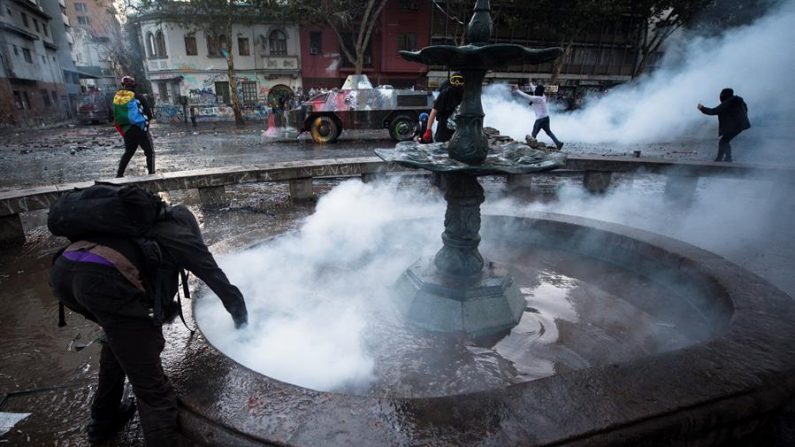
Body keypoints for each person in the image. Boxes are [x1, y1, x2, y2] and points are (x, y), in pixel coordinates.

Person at [49, 204, 248, 446]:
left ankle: (103, 420)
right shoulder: (182, 238)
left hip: (63, 273)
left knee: (118, 342)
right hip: (100, 281)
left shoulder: (140, 227)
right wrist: (244, 331)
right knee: (153, 388)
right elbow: (224, 289)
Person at [114, 76, 155, 177]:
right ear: (134, 85)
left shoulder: (118, 98)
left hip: (127, 130)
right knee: (149, 152)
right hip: (140, 129)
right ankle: (151, 173)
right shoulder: (139, 97)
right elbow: (149, 115)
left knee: (128, 152)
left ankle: (119, 175)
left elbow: (115, 116)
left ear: (122, 85)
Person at [697, 88, 751, 162]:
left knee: (723, 141)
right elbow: (746, 109)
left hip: (735, 126)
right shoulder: (739, 101)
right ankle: (726, 158)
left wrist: (702, 108)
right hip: (740, 125)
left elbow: (713, 111)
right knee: (725, 141)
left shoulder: (729, 102)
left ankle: (721, 159)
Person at [512, 84, 564, 150]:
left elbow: (526, 96)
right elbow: (535, 90)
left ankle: (531, 148)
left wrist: (517, 90)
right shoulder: (543, 96)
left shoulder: (536, 98)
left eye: (536, 89)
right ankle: (558, 143)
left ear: (538, 91)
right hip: (546, 117)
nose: (535, 90)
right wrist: (530, 83)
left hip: (540, 119)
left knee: (534, 134)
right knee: (548, 132)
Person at [422, 72, 464, 144]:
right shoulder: (445, 93)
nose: (457, 83)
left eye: (459, 80)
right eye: (454, 80)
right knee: (440, 148)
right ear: (450, 81)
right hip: (443, 128)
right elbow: (434, 111)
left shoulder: (465, 93)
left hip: (459, 129)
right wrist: (428, 130)